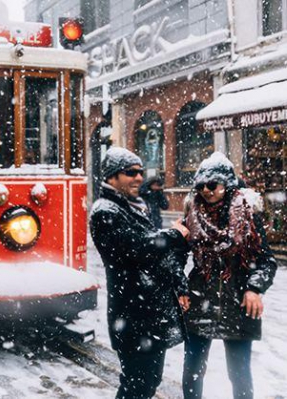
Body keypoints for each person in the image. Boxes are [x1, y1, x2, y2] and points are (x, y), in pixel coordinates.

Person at [89, 147, 190, 399]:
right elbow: (136, 248)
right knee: (137, 385)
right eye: (130, 172)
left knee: (148, 382)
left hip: (148, 314)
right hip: (133, 316)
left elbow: (156, 254)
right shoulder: (105, 210)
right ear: (111, 177)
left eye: (140, 172)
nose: (138, 178)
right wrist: (174, 235)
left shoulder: (134, 206)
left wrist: (179, 284)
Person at [182, 152, 277, 399]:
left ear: (227, 184)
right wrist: (180, 288)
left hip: (237, 303)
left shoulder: (248, 215)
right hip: (199, 300)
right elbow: (176, 257)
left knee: (239, 373)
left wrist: (254, 288)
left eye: (212, 185)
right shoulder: (192, 213)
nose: (206, 190)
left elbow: (266, 261)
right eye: (201, 185)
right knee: (193, 369)